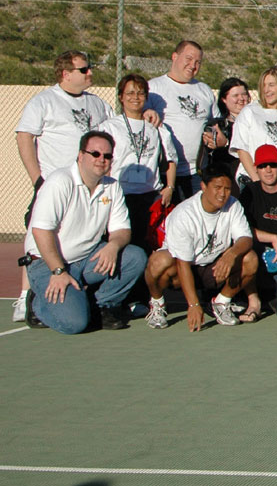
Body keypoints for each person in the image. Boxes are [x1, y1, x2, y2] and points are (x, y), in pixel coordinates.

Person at [22, 130, 147, 333]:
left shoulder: (112, 187)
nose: (101, 160)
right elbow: (41, 231)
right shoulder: (59, 182)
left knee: (134, 257)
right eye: (95, 154)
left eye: (107, 156)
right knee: (75, 324)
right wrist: (58, 271)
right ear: (81, 155)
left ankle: (103, 306)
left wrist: (113, 245)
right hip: (48, 264)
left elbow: (122, 229)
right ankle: (38, 302)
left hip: (85, 259)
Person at [143, 163, 259, 331]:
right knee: (158, 261)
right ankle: (157, 304)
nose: (223, 194)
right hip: (182, 269)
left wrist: (231, 254)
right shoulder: (184, 214)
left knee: (250, 258)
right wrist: (194, 304)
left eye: (227, 188)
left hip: (213, 268)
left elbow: (245, 238)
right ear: (203, 186)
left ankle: (221, 302)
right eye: (217, 187)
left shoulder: (233, 205)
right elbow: (183, 264)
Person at [16, 50, 113, 207]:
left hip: (92, 187)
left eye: (89, 68)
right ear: (66, 74)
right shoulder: (44, 101)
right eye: (83, 70)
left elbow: (116, 129)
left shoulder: (98, 104)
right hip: (57, 186)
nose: (89, 72)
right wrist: (38, 180)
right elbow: (24, 137)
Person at [98, 74, 177, 250]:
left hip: (150, 195)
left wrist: (169, 188)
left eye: (141, 93)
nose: (135, 97)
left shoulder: (157, 127)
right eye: (130, 93)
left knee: (150, 245)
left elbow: (170, 160)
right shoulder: (109, 127)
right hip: (121, 195)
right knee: (122, 244)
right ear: (121, 96)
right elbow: (102, 162)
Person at [237, 143, 277, 320]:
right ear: (256, 169)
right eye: (263, 166)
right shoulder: (249, 192)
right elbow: (241, 229)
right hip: (259, 249)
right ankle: (253, 302)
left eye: (272, 165)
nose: (268, 170)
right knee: (244, 253)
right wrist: (273, 238)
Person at [146, 40, 214, 201]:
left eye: (198, 62)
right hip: (166, 173)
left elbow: (215, 124)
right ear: (174, 57)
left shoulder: (204, 90)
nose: (193, 65)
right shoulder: (154, 88)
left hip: (197, 172)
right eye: (189, 59)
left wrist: (217, 138)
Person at [200, 78, 250, 188]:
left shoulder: (255, 123)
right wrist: (223, 144)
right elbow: (212, 147)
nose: (241, 99)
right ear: (224, 99)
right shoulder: (217, 125)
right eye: (235, 95)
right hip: (228, 179)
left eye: (244, 94)